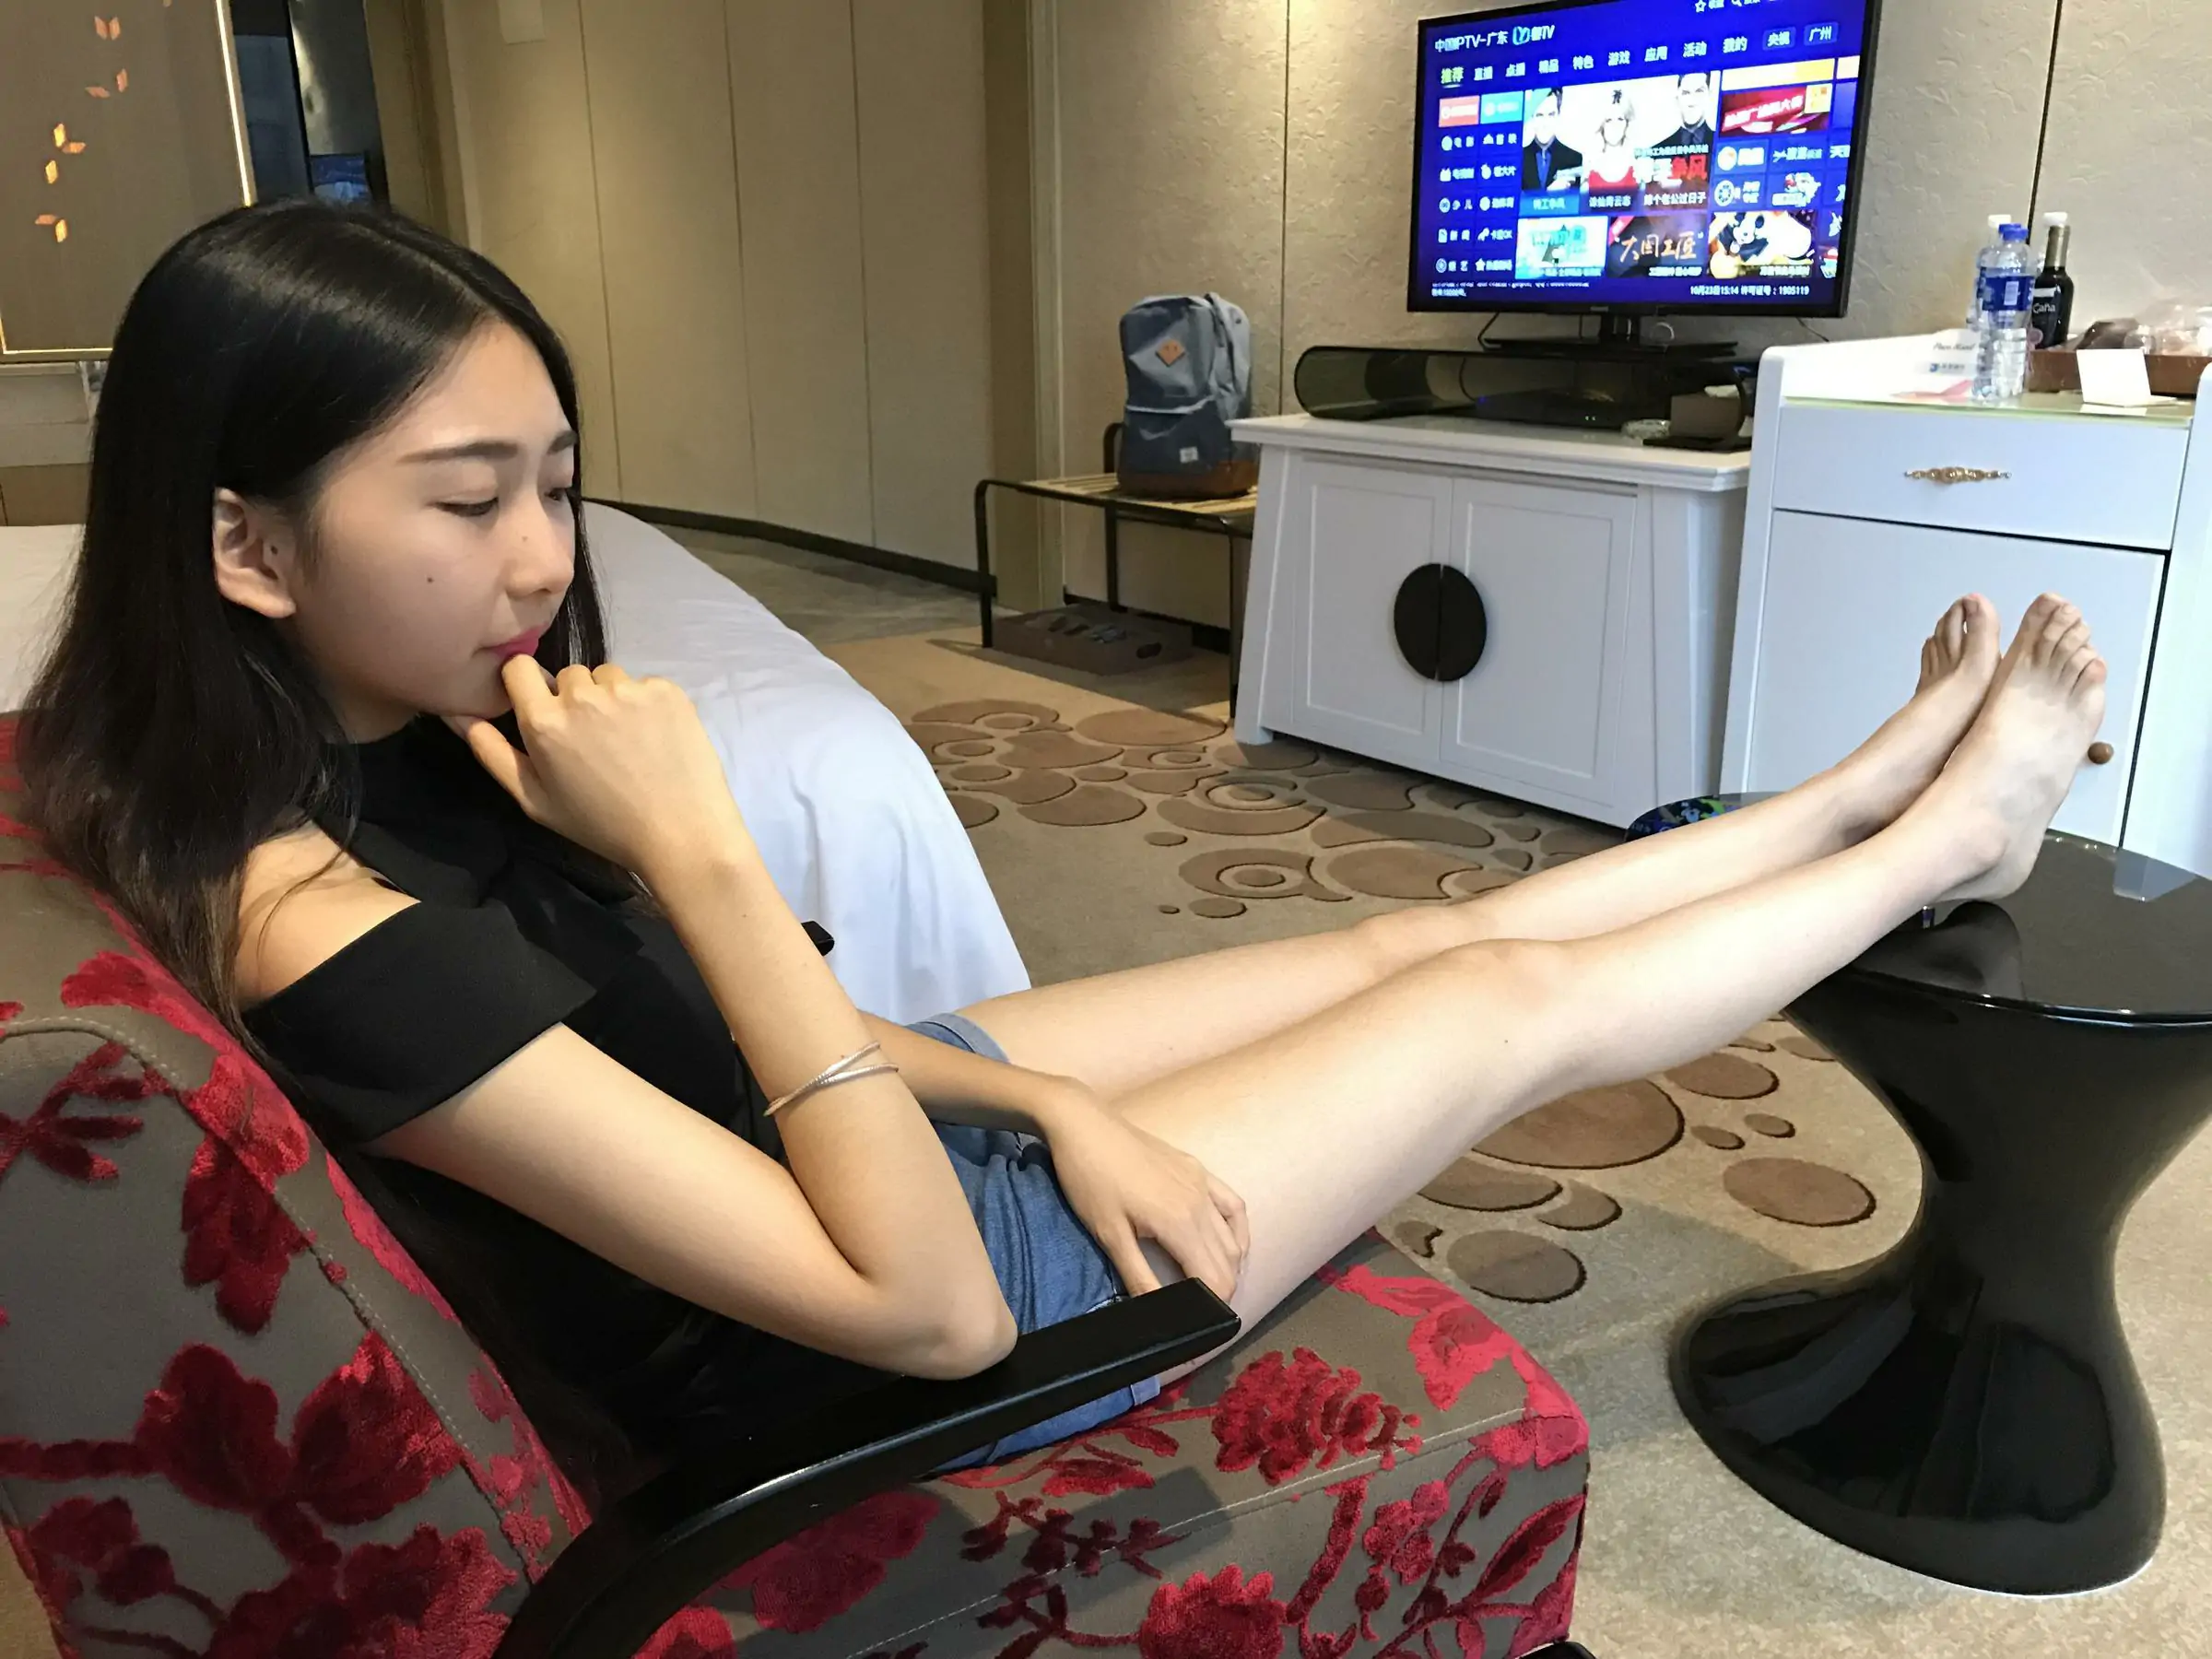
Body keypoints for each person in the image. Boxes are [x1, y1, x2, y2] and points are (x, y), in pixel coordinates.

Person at [18, 202, 2113, 1497]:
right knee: (1503, 1005)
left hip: (823, 1129)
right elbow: (924, 1317)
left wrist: (1029, 1095)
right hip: (883, 1318)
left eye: (559, 484)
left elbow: (685, 1047)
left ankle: (1841, 800)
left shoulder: (385, 738)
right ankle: (1945, 833)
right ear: (244, 545)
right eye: (467, 500)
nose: (546, 559)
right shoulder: (321, 927)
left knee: (1409, 935)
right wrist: (706, 858)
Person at [1521, 89, 1583, 191]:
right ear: (1532, 117)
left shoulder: (1575, 159)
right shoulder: (1518, 160)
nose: (1545, 123)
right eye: (1539, 115)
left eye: (1551, 115)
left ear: (1558, 115)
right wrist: (1549, 194)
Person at [1583, 90, 1642, 194]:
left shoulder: (1637, 162)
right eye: (1609, 120)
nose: (1615, 125)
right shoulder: (1589, 162)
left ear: (1627, 123)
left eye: (1620, 119)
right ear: (1601, 125)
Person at [1655, 71, 1716, 155]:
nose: (1692, 98)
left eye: (1699, 91)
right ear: (1677, 99)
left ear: (1709, 96)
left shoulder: (1724, 144)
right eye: (1686, 93)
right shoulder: (1657, 152)